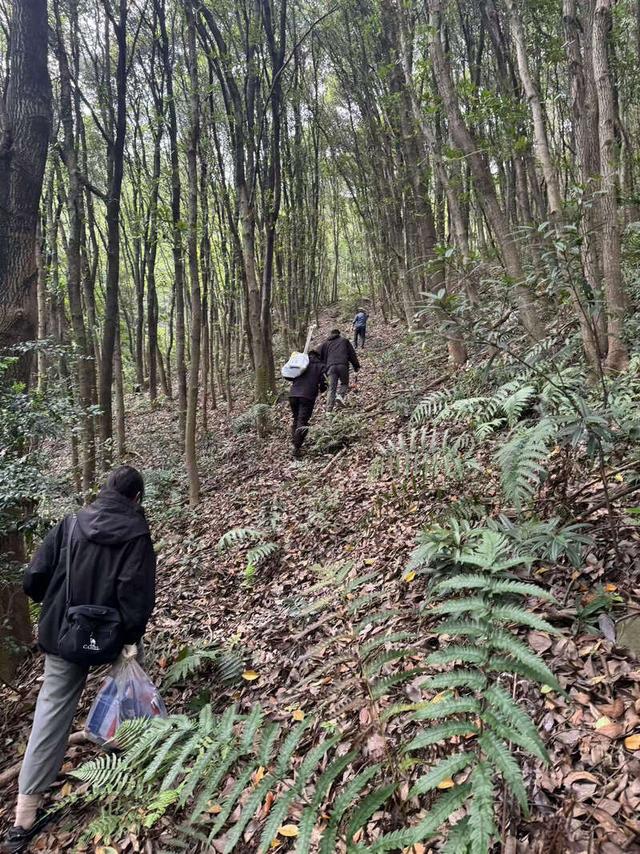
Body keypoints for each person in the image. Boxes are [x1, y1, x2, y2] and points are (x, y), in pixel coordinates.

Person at [2, 466, 156, 854]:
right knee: (131, 688)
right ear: (136, 498)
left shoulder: (70, 524)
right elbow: (136, 596)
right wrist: (129, 639)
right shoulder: (136, 533)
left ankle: (23, 817)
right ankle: (133, 758)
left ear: (104, 490)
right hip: (113, 636)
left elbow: (34, 579)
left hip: (63, 633)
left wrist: (57, 604)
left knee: (51, 713)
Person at [287, 349, 327, 459]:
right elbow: (324, 382)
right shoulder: (320, 366)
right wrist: (322, 389)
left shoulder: (301, 363)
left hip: (293, 395)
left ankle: (295, 443)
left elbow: (290, 376)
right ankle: (296, 447)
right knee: (302, 420)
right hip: (307, 396)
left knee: (296, 419)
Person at [318, 328, 360, 412]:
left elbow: (318, 355)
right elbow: (352, 354)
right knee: (344, 383)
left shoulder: (325, 344)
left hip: (330, 367)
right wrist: (356, 366)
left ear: (330, 334)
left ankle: (329, 410)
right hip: (342, 365)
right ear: (338, 334)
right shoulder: (344, 341)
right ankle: (340, 396)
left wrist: (322, 370)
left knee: (332, 388)